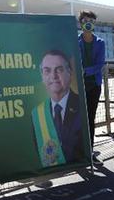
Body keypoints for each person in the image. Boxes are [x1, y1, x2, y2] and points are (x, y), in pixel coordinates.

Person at [32, 49, 85, 167]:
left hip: (79, 169)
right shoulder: (36, 114)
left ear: (70, 72)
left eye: (59, 69)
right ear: (42, 76)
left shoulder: (82, 106)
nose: (53, 76)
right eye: (47, 71)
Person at [77, 10, 106, 164]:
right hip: (77, 87)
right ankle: (77, 152)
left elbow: (100, 64)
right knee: (76, 119)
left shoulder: (100, 43)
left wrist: (85, 71)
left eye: (91, 20)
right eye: (85, 20)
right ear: (80, 22)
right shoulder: (74, 41)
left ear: (94, 23)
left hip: (93, 85)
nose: (88, 23)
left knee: (90, 119)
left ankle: (89, 152)